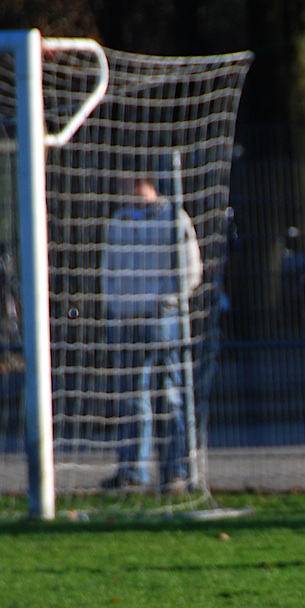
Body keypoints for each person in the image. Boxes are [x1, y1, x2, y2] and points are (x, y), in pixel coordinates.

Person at [102, 177, 202, 494]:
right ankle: (133, 471)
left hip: (163, 319)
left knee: (169, 394)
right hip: (127, 320)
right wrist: (115, 308)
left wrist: (167, 301)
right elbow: (108, 271)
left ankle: (176, 471)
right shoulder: (119, 222)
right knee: (132, 398)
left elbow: (191, 269)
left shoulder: (174, 218)